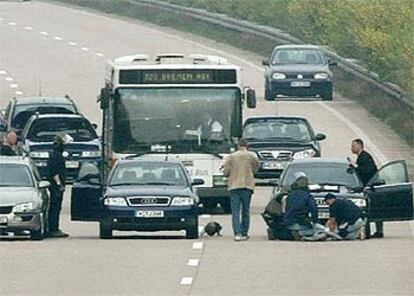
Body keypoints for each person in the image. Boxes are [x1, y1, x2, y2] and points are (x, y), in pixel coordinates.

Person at [222, 138, 259, 241]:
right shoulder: (252, 156)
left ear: (238, 145)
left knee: (235, 211)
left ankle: (237, 233)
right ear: (247, 146)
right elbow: (256, 169)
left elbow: (225, 172)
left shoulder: (232, 156)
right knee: (246, 210)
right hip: (247, 185)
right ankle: (244, 232)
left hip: (234, 185)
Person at [349, 138, 383, 238]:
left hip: (372, 187)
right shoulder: (362, 157)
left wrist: (355, 168)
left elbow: (368, 171)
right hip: (370, 186)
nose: (352, 148)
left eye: (353, 146)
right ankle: (378, 230)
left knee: (373, 208)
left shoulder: (364, 157)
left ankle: (379, 231)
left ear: (360, 146)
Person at [46, 134, 71, 238]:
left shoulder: (54, 154)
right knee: (55, 207)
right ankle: (53, 228)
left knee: (55, 207)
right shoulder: (56, 156)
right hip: (55, 186)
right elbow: (55, 172)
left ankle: (53, 227)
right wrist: (59, 184)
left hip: (55, 185)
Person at [283, 172, 319, 239]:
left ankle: (292, 233)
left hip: (287, 222)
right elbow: (314, 209)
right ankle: (299, 233)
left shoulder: (289, 195)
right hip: (299, 222)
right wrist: (315, 221)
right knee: (314, 231)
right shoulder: (307, 196)